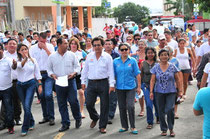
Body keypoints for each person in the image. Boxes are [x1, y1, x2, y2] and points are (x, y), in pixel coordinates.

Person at [81, 37, 115, 134]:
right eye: (95, 45)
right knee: (89, 104)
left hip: (103, 82)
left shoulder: (107, 57)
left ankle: (102, 126)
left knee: (104, 105)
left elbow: (111, 72)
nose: (97, 47)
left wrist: (112, 84)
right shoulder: (89, 56)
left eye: (98, 45)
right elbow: (85, 70)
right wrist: (83, 82)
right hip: (91, 83)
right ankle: (95, 117)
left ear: (102, 45)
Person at [47, 37, 82, 132]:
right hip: (59, 81)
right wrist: (52, 74)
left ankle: (77, 117)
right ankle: (65, 123)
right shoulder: (52, 57)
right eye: (65, 43)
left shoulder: (72, 55)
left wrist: (74, 73)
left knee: (73, 101)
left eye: (67, 43)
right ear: (59, 45)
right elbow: (48, 69)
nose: (67, 45)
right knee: (62, 103)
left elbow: (78, 67)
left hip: (70, 81)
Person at [150, 49, 183, 137]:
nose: (164, 56)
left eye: (166, 55)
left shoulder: (172, 66)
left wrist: (180, 91)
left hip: (171, 91)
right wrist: (151, 92)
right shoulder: (155, 67)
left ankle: (171, 128)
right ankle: (164, 129)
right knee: (160, 111)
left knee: (169, 109)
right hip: (159, 92)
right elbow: (152, 80)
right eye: (162, 55)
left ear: (168, 56)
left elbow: (178, 79)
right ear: (159, 57)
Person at [113, 43, 141, 134]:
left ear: (129, 50)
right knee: (122, 107)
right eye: (122, 49)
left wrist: (139, 87)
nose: (124, 51)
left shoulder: (133, 61)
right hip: (119, 87)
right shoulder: (115, 61)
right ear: (119, 51)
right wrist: (112, 85)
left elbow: (137, 74)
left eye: (126, 49)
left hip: (130, 87)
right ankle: (124, 126)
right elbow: (113, 75)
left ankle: (133, 126)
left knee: (130, 106)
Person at [16, 44, 42, 136]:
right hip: (20, 85)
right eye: (22, 50)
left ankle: (25, 127)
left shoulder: (33, 60)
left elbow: (37, 73)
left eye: (26, 49)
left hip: (30, 84)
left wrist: (39, 85)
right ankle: (31, 121)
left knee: (27, 105)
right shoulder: (17, 60)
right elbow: (20, 66)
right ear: (19, 51)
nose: (24, 51)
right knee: (25, 106)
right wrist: (25, 59)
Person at [30, 32, 55, 126]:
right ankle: (46, 116)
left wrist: (45, 48)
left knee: (48, 95)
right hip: (38, 75)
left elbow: (53, 58)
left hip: (48, 74)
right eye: (41, 41)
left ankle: (51, 117)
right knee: (42, 96)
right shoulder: (32, 48)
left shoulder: (50, 46)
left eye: (44, 41)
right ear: (38, 39)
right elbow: (31, 61)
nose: (42, 43)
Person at [4, 39, 22, 125]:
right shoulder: (3, 55)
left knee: (16, 101)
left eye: (14, 44)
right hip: (4, 82)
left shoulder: (19, 55)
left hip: (16, 81)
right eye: (10, 44)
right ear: (6, 45)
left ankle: (17, 118)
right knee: (5, 102)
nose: (12, 45)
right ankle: (5, 121)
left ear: (16, 45)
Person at [140, 47, 159, 129]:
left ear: (154, 54)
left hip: (157, 87)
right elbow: (141, 75)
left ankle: (158, 116)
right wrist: (140, 85)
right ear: (146, 54)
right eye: (149, 53)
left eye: (152, 53)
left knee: (157, 104)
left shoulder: (158, 63)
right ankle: (150, 122)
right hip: (147, 86)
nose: (150, 54)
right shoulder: (143, 63)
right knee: (148, 104)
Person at [0, 44, 16, 134]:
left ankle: (10, 126)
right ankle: (2, 123)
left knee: (9, 109)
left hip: (7, 89)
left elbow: (13, 67)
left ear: (2, 50)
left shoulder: (8, 60)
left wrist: (14, 64)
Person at [69, 37, 87, 118]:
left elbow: (88, 59)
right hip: (69, 75)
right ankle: (74, 111)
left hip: (79, 75)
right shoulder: (67, 53)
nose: (73, 45)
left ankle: (81, 110)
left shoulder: (81, 52)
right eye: (72, 44)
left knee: (81, 92)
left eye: (75, 44)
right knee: (71, 96)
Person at [104, 39, 119, 124]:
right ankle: (104, 114)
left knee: (112, 98)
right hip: (103, 78)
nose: (108, 45)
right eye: (106, 44)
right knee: (104, 97)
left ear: (112, 45)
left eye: (109, 44)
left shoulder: (116, 55)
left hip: (113, 78)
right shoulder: (101, 55)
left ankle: (110, 115)